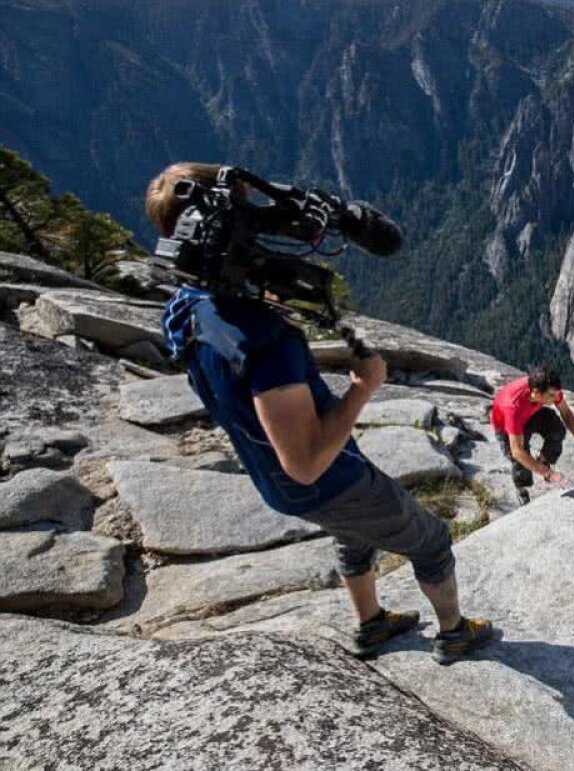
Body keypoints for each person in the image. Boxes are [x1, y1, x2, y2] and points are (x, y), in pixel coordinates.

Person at [147, 162, 493, 663]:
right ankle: (455, 631)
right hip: (323, 479)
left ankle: (372, 623)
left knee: (351, 535)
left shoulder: (186, 309)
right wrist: (363, 388)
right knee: (432, 542)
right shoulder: (266, 341)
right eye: (249, 207)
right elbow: (306, 461)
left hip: (273, 482)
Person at [491, 364, 574, 504]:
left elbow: (566, 413)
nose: (555, 398)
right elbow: (517, 450)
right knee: (520, 459)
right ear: (536, 392)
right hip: (506, 425)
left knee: (556, 429)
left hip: (530, 413)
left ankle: (543, 461)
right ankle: (522, 487)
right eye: (551, 395)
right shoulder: (513, 405)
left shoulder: (546, 389)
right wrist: (549, 474)